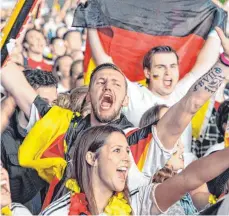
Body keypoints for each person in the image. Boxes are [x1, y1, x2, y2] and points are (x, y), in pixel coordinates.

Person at [1, 26, 229, 205]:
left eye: (116, 84)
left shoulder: (135, 141)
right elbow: (16, 83)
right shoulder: (61, 125)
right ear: (90, 96)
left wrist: (225, 62)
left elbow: (189, 105)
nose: (108, 87)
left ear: (126, 99)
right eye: (100, 82)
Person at [4, 125, 229, 215]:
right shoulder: (59, 213)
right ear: (92, 157)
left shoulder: (135, 203)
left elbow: (190, 178)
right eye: (117, 151)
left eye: (127, 152)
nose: (126, 159)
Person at [87, 25, 222, 154]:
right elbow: (104, 62)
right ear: (147, 73)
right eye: (161, 67)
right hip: (146, 175)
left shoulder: (182, 93)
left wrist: (217, 26)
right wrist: (91, 25)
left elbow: (205, 63)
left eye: (173, 66)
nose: (168, 72)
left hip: (181, 173)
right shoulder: (134, 94)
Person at [1, 69, 58, 214]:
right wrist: (44, 164)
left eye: (54, 103)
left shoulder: (57, 135)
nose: (49, 109)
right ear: (21, 100)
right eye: (43, 102)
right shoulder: (3, 136)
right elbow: (9, 194)